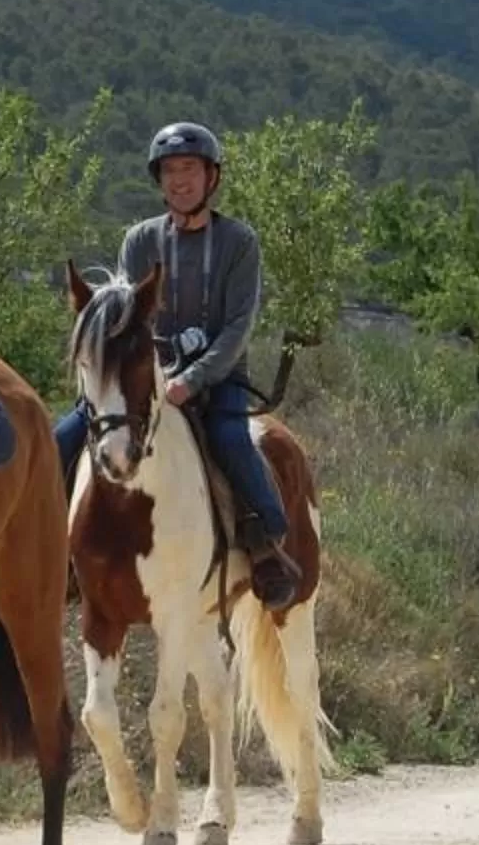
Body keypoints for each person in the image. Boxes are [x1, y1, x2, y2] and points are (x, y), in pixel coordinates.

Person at [55, 122, 304, 611]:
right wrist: (149, 376)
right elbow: (123, 320)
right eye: (170, 171)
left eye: (189, 169)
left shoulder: (240, 243)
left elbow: (238, 327)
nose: (179, 180)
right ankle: (55, 549)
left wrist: (191, 379)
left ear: (212, 177)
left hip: (216, 376)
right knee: (62, 438)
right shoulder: (139, 240)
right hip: (144, 379)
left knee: (232, 441)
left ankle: (266, 545)